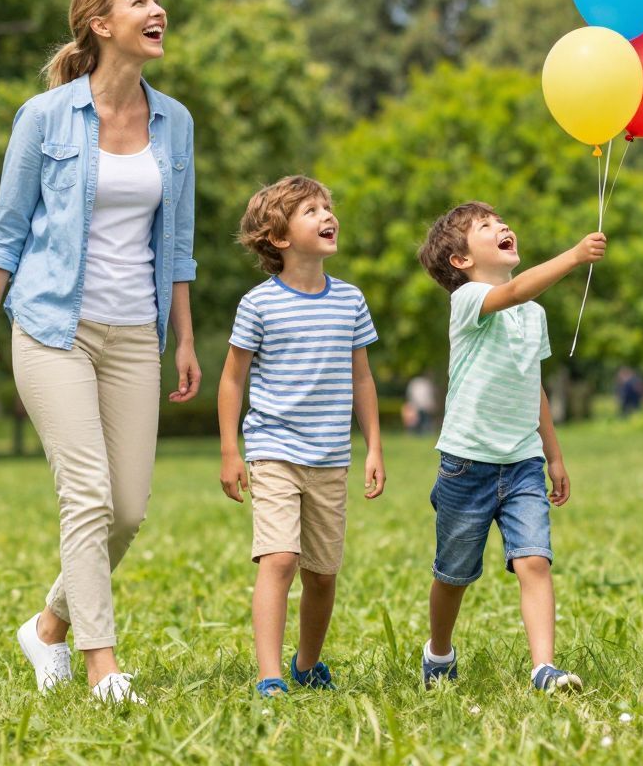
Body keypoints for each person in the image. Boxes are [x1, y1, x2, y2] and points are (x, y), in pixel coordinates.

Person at [0, 0, 201, 704]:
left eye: (156, 0)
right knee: (88, 494)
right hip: (51, 325)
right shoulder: (45, 118)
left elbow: (180, 243)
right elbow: (6, 231)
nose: (157, 9)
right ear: (101, 25)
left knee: (127, 510)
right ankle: (103, 667)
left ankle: (47, 628)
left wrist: (185, 338)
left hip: (136, 331)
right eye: (140, 2)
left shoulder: (176, 122)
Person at [414, 202, 603, 692]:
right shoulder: (469, 299)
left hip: (522, 463)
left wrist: (555, 456)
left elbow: (532, 385)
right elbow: (516, 289)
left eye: (501, 222)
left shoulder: (533, 315)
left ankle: (544, 668)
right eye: (486, 227)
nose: (503, 227)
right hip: (467, 463)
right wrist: (575, 255)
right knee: (453, 574)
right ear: (460, 261)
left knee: (534, 560)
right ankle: (439, 651)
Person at [216, 176, 386, 697]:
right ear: (281, 238)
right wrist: (230, 450)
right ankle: (270, 674)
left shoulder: (350, 301)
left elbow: (362, 378)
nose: (327, 215)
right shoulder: (259, 304)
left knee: (321, 573)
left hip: (331, 457)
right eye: (311, 210)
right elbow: (232, 379)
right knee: (280, 558)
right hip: (273, 451)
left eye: (327, 207)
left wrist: (374, 445)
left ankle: (306, 664)